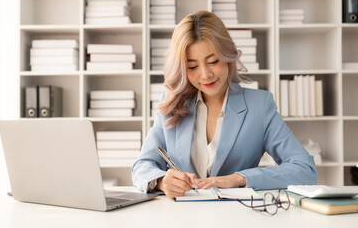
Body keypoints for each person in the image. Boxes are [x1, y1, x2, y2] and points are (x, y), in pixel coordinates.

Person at [132, 10, 318, 198]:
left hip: (237, 215)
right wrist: (162, 181)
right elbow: (141, 167)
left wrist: (239, 179)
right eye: (193, 66)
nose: (205, 75)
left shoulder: (260, 106)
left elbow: (305, 170)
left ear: (228, 56)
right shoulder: (171, 104)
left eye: (213, 61)